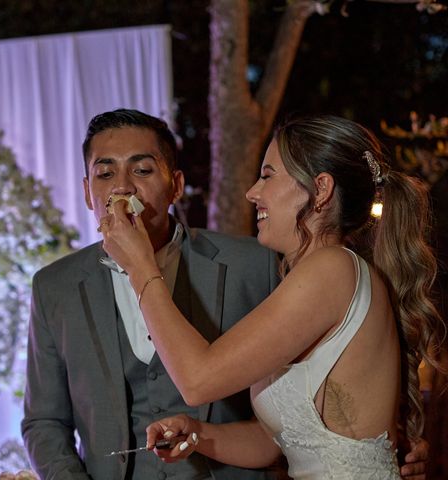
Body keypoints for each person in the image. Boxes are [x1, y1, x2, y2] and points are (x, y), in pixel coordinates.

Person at [22, 109, 429, 479]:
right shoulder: (312, 271)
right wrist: (198, 434)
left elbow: (198, 382)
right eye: (105, 172)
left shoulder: (328, 268)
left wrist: (140, 266)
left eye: (268, 176)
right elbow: (281, 438)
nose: (253, 192)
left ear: (319, 190)